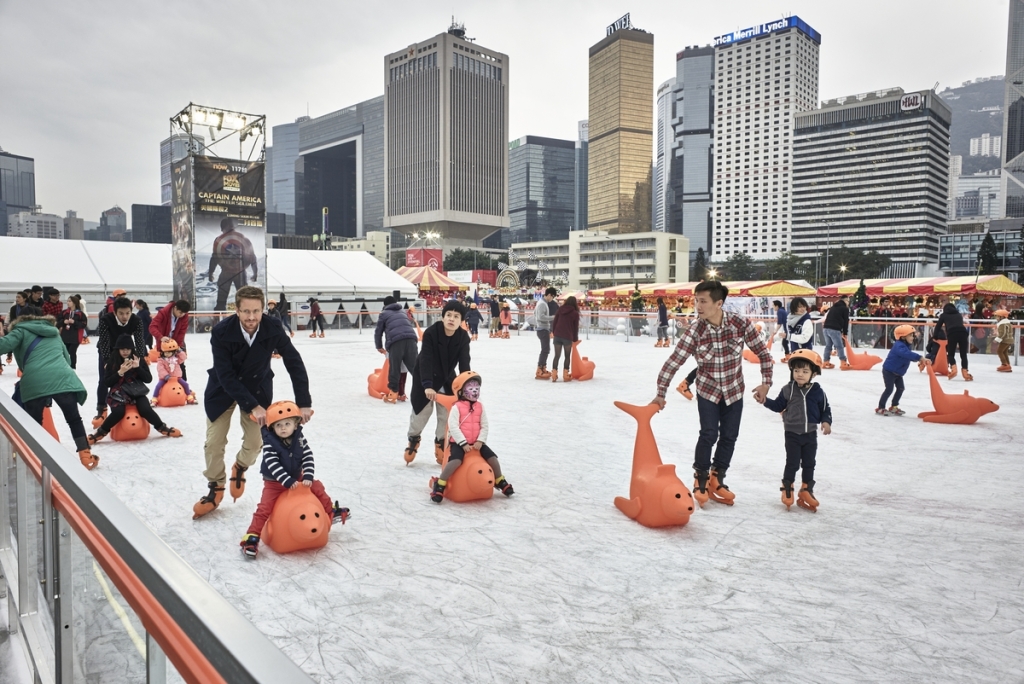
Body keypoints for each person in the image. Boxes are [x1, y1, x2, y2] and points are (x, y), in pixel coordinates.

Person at [194, 286, 312, 519]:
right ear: (236, 310)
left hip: (257, 388)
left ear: (262, 309)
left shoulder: (273, 327)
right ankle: (215, 486)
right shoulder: (221, 332)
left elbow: (294, 362)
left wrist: (304, 402)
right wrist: (252, 406)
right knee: (214, 442)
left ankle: (240, 466)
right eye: (246, 311)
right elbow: (226, 375)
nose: (251, 317)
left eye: (256, 311)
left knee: (256, 441)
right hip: (223, 389)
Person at [651, 281, 773, 506]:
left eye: (703, 301)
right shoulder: (695, 330)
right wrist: (661, 393)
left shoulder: (739, 324)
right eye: (696, 300)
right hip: (708, 391)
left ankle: (717, 478)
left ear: (719, 303)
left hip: (734, 390)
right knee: (708, 434)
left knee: (729, 436)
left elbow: (764, 355)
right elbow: (673, 362)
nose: (698, 306)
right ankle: (701, 477)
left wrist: (766, 383)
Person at [239, 401, 348, 559]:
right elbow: (272, 463)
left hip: (297, 478)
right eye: (278, 425)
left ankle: (332, 511)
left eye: (287, 424)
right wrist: (286, 481)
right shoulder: (270, 443)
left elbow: (307, 456)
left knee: (317, 486)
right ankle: (252, 537)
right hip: (275, 483)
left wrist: (308, 475)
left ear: (295, 425)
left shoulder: (299, 439)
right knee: (264, 508)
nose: (283, 428)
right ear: (272, 427)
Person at [0, 313, 96, 468]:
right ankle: (85, 455)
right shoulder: (53, 332)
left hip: (35, 380)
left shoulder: (19, 330)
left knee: (35, 423)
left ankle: (34, 457)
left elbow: (3, 346)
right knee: (74, 419)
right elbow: (67, 359)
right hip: (63, 377)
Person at [763, 349, 832, 512]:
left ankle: (806, 490)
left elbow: (825, 409)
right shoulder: (788, 389)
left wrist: (826, 421)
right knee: (793, 463)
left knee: (809, 464)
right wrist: (765, 400)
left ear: (813, 374)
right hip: (792, 433)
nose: (800, 374)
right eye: (797, 370)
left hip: (810, 434)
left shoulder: (817, 392)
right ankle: (788, 486)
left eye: (805, 371)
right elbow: (778, 405)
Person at [403, 300, 470, 465]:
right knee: (421, 412)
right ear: (442, 316)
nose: (451, 319)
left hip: (447, 378)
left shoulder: (462, 337)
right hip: (425, 377)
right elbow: (425, 359)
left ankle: (441, 443)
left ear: (461, 320)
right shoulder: (432, 333)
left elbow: (464, 363)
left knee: (446, 415)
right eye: (448, 315)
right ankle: (413, 438)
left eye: (456, 316)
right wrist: (427, 385)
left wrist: (466, 385)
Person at [430, 371, 514, 502]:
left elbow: (485, 425)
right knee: (456, 461)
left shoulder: (480, 407)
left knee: (492, 458)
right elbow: (453, 426)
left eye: (477, 388)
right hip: (458, 443)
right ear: (461, 391)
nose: (475, 392)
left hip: (477, 442)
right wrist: (463, 443)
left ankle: (499, 479)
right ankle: (441, 483)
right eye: (471, 389)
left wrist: (480, 441)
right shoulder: (456, 407)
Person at [88, 334, 183, 445]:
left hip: (136, 391)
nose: (125, 351)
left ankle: (162, 427)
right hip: (118, 392)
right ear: (118, 349)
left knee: (145, 409)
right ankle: (100, 433)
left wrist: (138, 367)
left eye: (128, 349)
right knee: (118, 412)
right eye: (122, 349)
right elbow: (107, 382)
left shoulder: (138, 359)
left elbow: (148, 379)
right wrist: (120, 372)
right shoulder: (112, 362)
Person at [93, 297, 147, 427]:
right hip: (109, 350)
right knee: (105, 379)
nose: (125, 316)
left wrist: (140, 358)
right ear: (115, 312)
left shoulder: (136, 320)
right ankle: (102, 409)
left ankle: (133, 403)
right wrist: (107, 361)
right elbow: (104, 342)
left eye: (127, 313)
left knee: (131, 377)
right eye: (121, 313)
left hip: (127, 350)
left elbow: (139, 341)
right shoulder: (106, 320)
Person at [374, 295, 419, 404]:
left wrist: (379, 346)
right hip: (411, 340)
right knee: (416, 368)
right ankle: (425, 390)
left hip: (396, 342)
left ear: (385, 305)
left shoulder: (384, 314)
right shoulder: (402, 311)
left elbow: (378, 332)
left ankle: (393, 393)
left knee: (395, 368)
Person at [876, 325, 928, 416]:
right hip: (889, 371)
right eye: (911, 335)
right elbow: (906, 354)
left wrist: (919, 360)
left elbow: (908, 356)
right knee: (889, 389)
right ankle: (880, 407)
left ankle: (894, 406)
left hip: (898, 372)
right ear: (903, 336)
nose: (913, 337)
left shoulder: (906, 345)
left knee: (900, 388)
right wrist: (919, 357)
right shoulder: (899, 345)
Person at [209, 217, 258, 312]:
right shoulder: (244, 239)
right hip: (239, 273)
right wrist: (255, 273)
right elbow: (253, 258)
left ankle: (218, 322)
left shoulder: (219, 240)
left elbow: (214, 258)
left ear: (224, 227)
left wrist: (211, 273)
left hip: (227, 273)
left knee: (221, 303)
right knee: (245, 299)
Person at [150, 299, 192, 379]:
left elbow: (181, 333)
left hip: (176, 344)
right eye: (180, 312)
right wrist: (161, 337)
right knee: (164, 365)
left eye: (184, 313)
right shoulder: (163, 313)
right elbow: (152, 327)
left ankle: (183, 387)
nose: (181, 315)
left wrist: (177, 346)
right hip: (164, 345)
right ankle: (165, 386)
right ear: (175, 308)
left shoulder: (184, 316)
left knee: (180, 364)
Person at [934, 302, 971, 381]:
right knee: (963, 354)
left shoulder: (943, 315)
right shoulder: (958, 314)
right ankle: (965, 373)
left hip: (952, 334)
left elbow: (938, 326)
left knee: (951, 354)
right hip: (963, 333)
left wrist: (935, 336)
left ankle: (954, 369)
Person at [152, 338, 196, 403]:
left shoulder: (176, 359)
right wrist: (165, 375)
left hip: (176, 378)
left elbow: (184, 357)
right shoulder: (161, 360)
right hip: (165, 378)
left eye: (169, 352)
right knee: (158, 386)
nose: (167, 354)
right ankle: (154, 398)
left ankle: (189, 396)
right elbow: (160, 369)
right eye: (165, 352)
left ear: (174, 352)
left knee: (185, 384)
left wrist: (179, 350)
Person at [551, 295, 580, 383]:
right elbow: (575, 328)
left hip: (558, 335)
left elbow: (555, 322)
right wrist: (575, 339)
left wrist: (555, 332)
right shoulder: (575, 313)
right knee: (567, 356)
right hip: (567, 337)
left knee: (557, 356)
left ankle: (554, 375)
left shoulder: (560, 310)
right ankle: (565, 375)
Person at [821, 294, 850, 369]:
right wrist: (845, 333)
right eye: (848, 301)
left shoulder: (833, 307)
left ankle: (825, 362)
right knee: (839, 346)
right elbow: (846, 321)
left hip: (826, 328)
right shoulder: (844, 309)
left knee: (828, 346)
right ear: (845, 300)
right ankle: (843, 362)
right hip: (834, 329)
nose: (848, 303)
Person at [534, 287, 557, 379]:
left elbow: (535, 313)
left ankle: (542, 367)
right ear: (549, 295)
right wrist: (552, 317)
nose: (552, 299)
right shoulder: (542, 304)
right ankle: (540, 369)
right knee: (545, 350)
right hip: (543, 329)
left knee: (546, 349)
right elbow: (540, 317)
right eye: (552, 297)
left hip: (542, 328)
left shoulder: (541, 302)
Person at [59, 295, 87, 369]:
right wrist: (63, 322)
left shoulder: (80, 314)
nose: (68, 303)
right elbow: (57, 322)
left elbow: (84, 324)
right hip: (65, 336)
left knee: (72, 352)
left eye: (70, 301)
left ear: (74, 302)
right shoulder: (64, 312)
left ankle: (73, 367)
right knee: (64, 352)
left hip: (75, 336)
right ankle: (64, 366)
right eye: (67, 301)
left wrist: (74, 322)